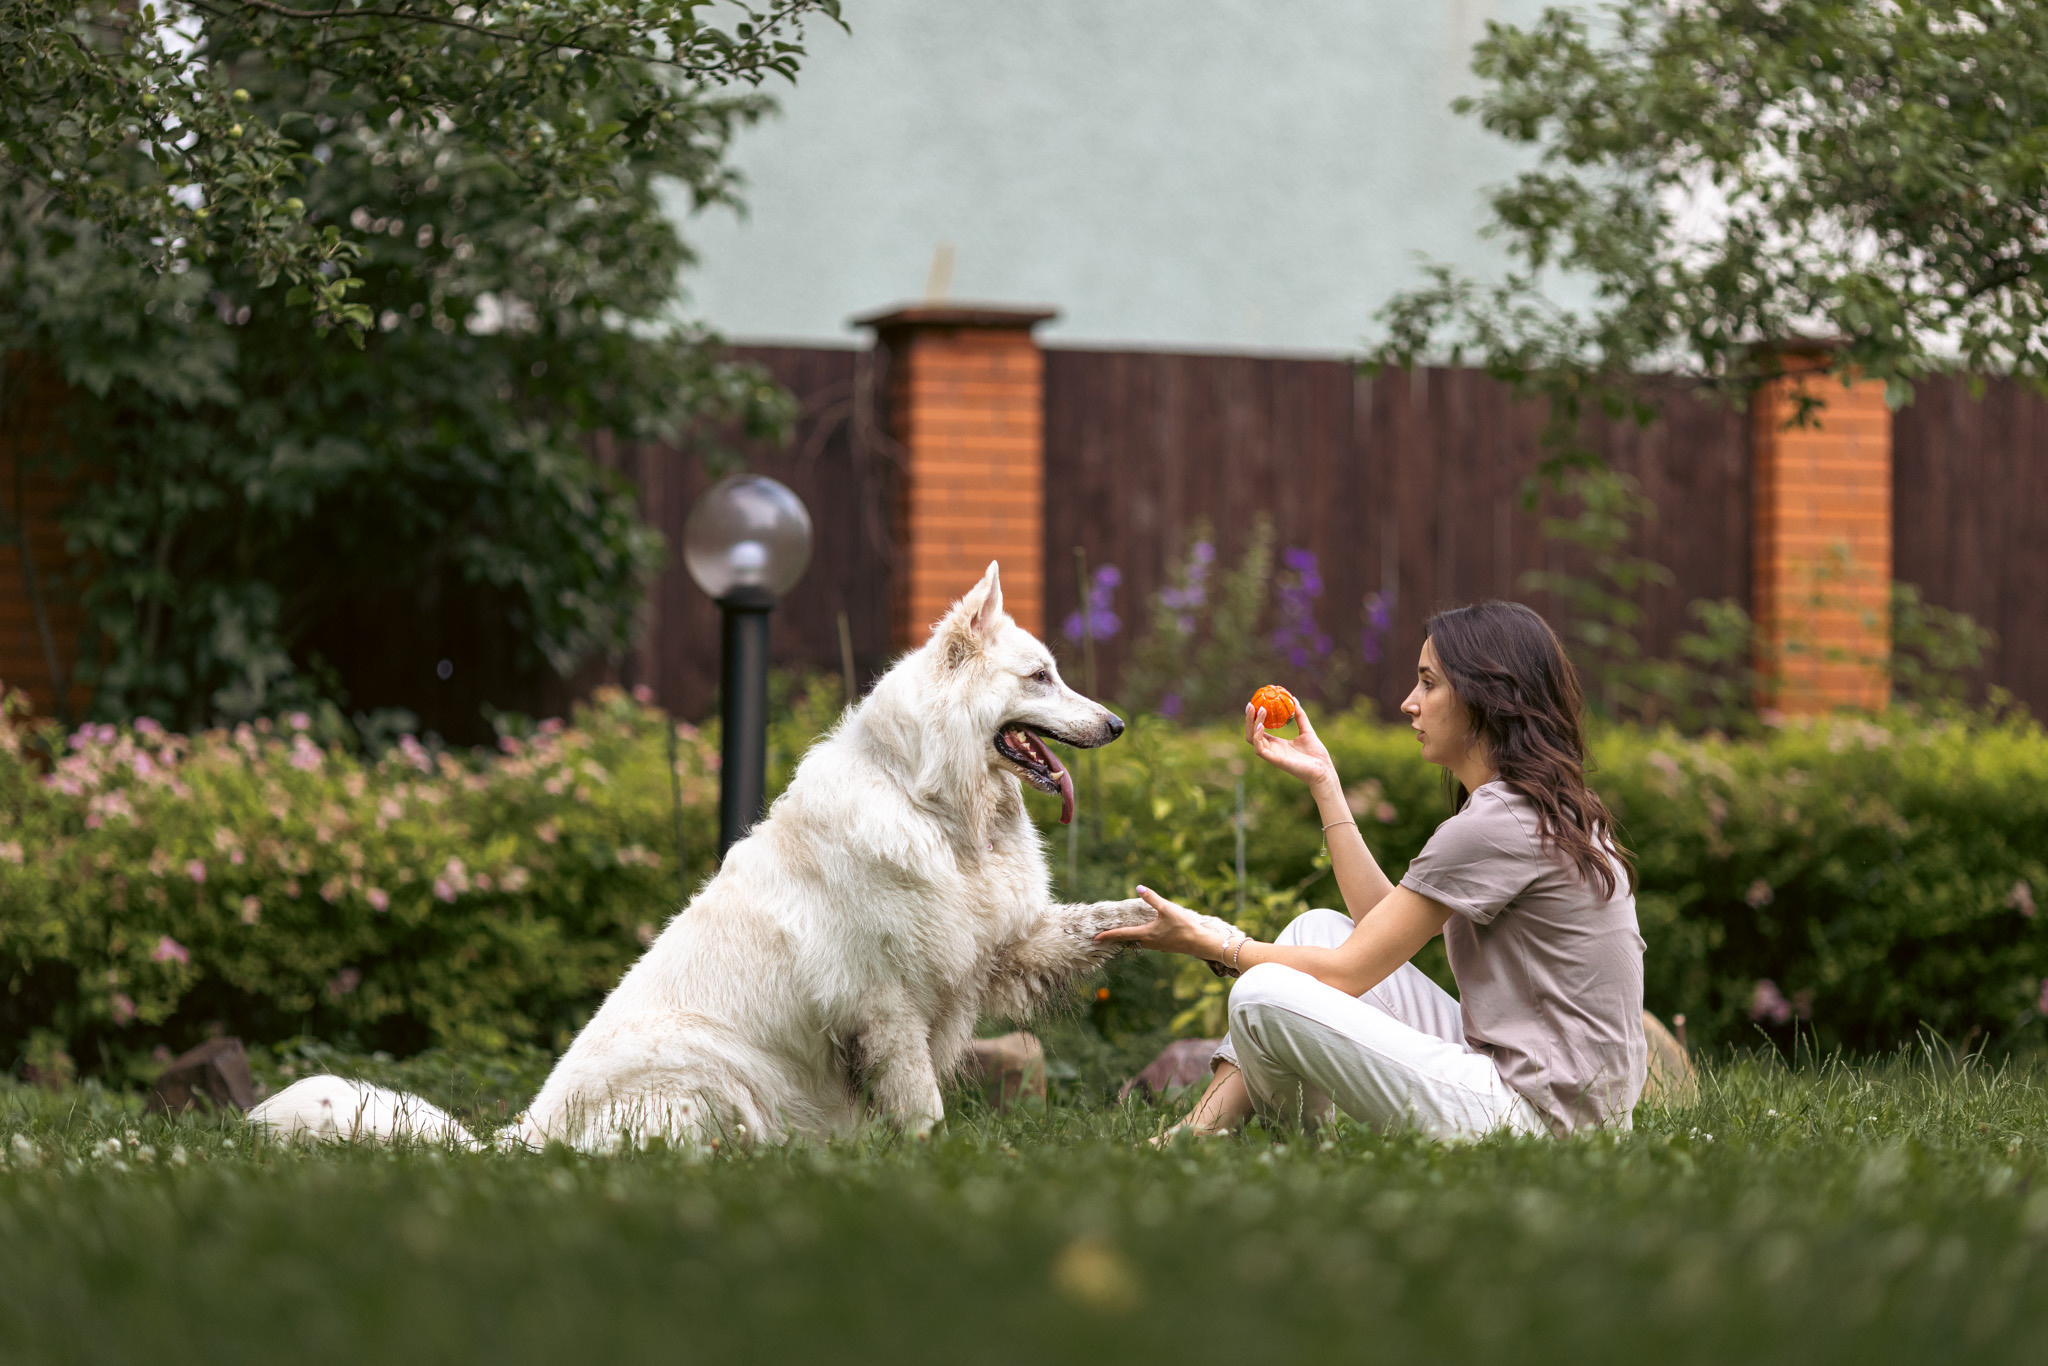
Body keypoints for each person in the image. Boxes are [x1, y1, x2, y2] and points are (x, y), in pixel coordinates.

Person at [1097, 600, 1647, 1141]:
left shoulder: (1500, 820)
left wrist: (1214, 943)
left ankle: (1295, 1147)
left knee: (1261, 992)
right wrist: (1324, 783)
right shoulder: (1535, 806)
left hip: (1547, 1120)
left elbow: (1349, 974)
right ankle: (1200, 1132)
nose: (1410, 703)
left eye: (1429, 683)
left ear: (1486, 697)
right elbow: (1378, 925)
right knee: (1316, 929)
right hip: (1555, 1092)